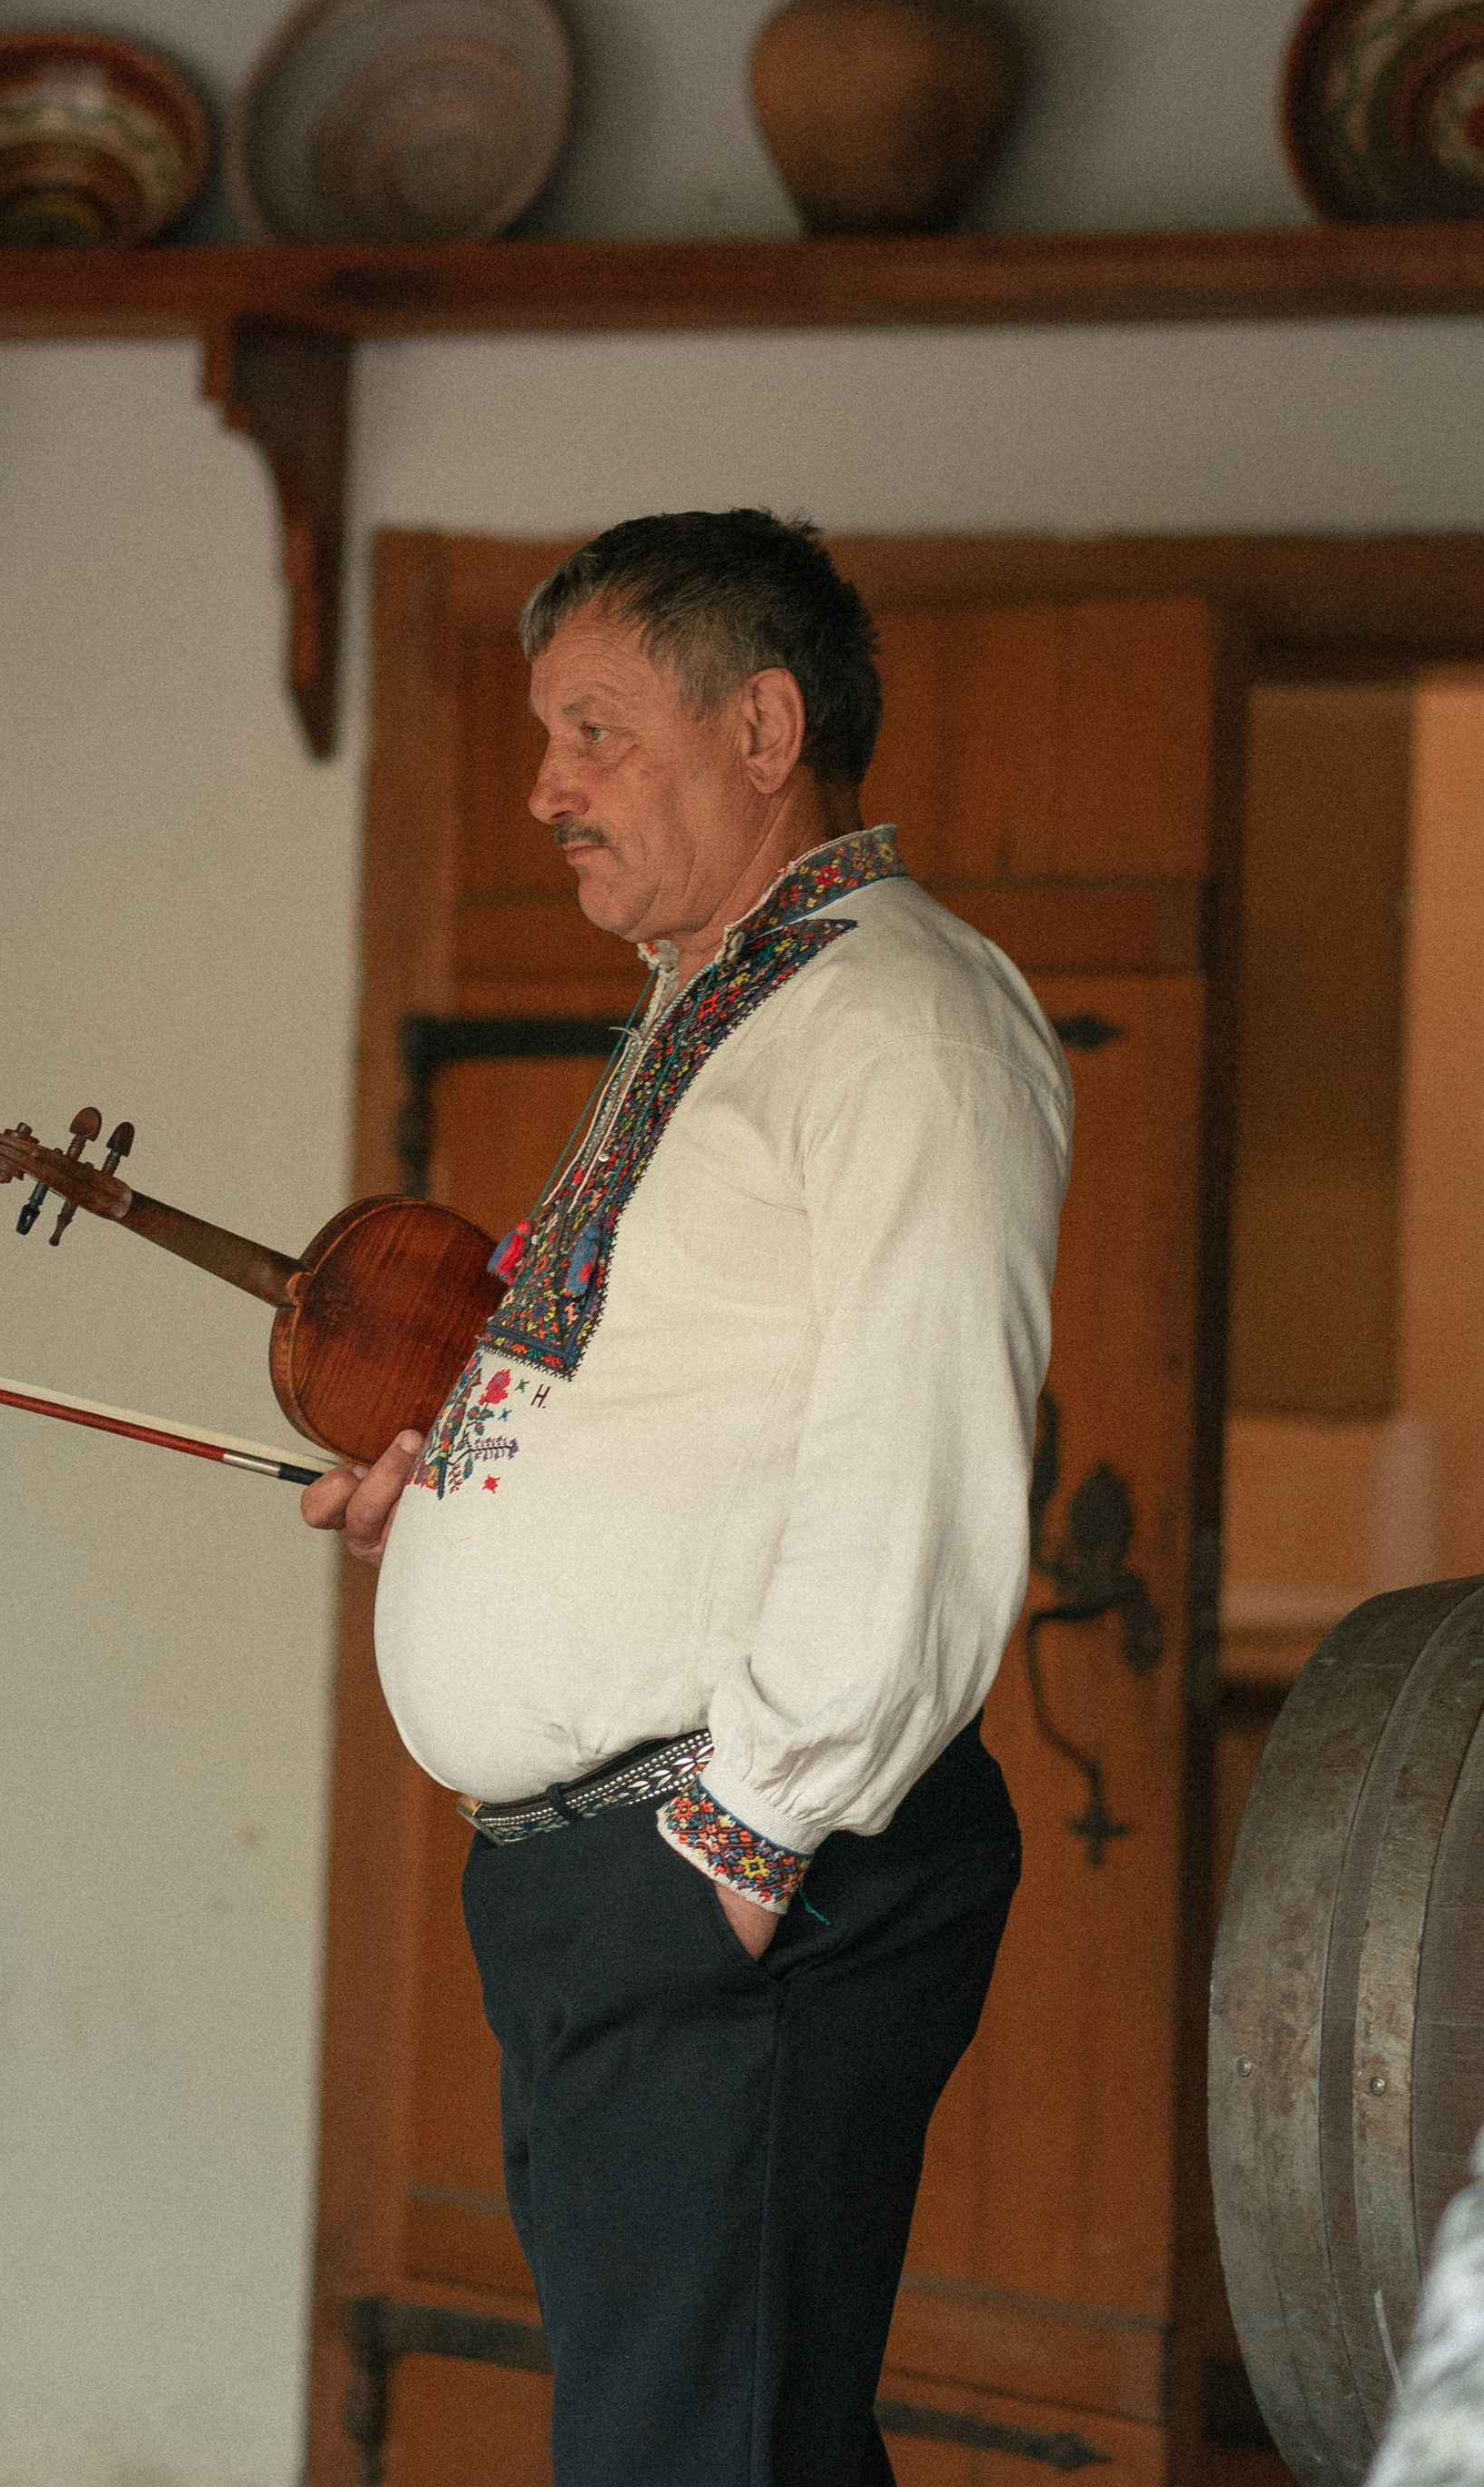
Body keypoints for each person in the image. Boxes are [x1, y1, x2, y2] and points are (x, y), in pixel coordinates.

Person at [303, 509, 1072, 2487]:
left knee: (695, 2458)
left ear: (760, 724)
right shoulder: (712, 999)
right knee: (724, 2450)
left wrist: (736, 1850)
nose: (544, 788)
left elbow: (920, 1462)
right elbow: (676, 1414)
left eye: (590, 730)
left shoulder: (899, 1015)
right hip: (606, 1880)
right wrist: (458, 1499)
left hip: (730, 1874)